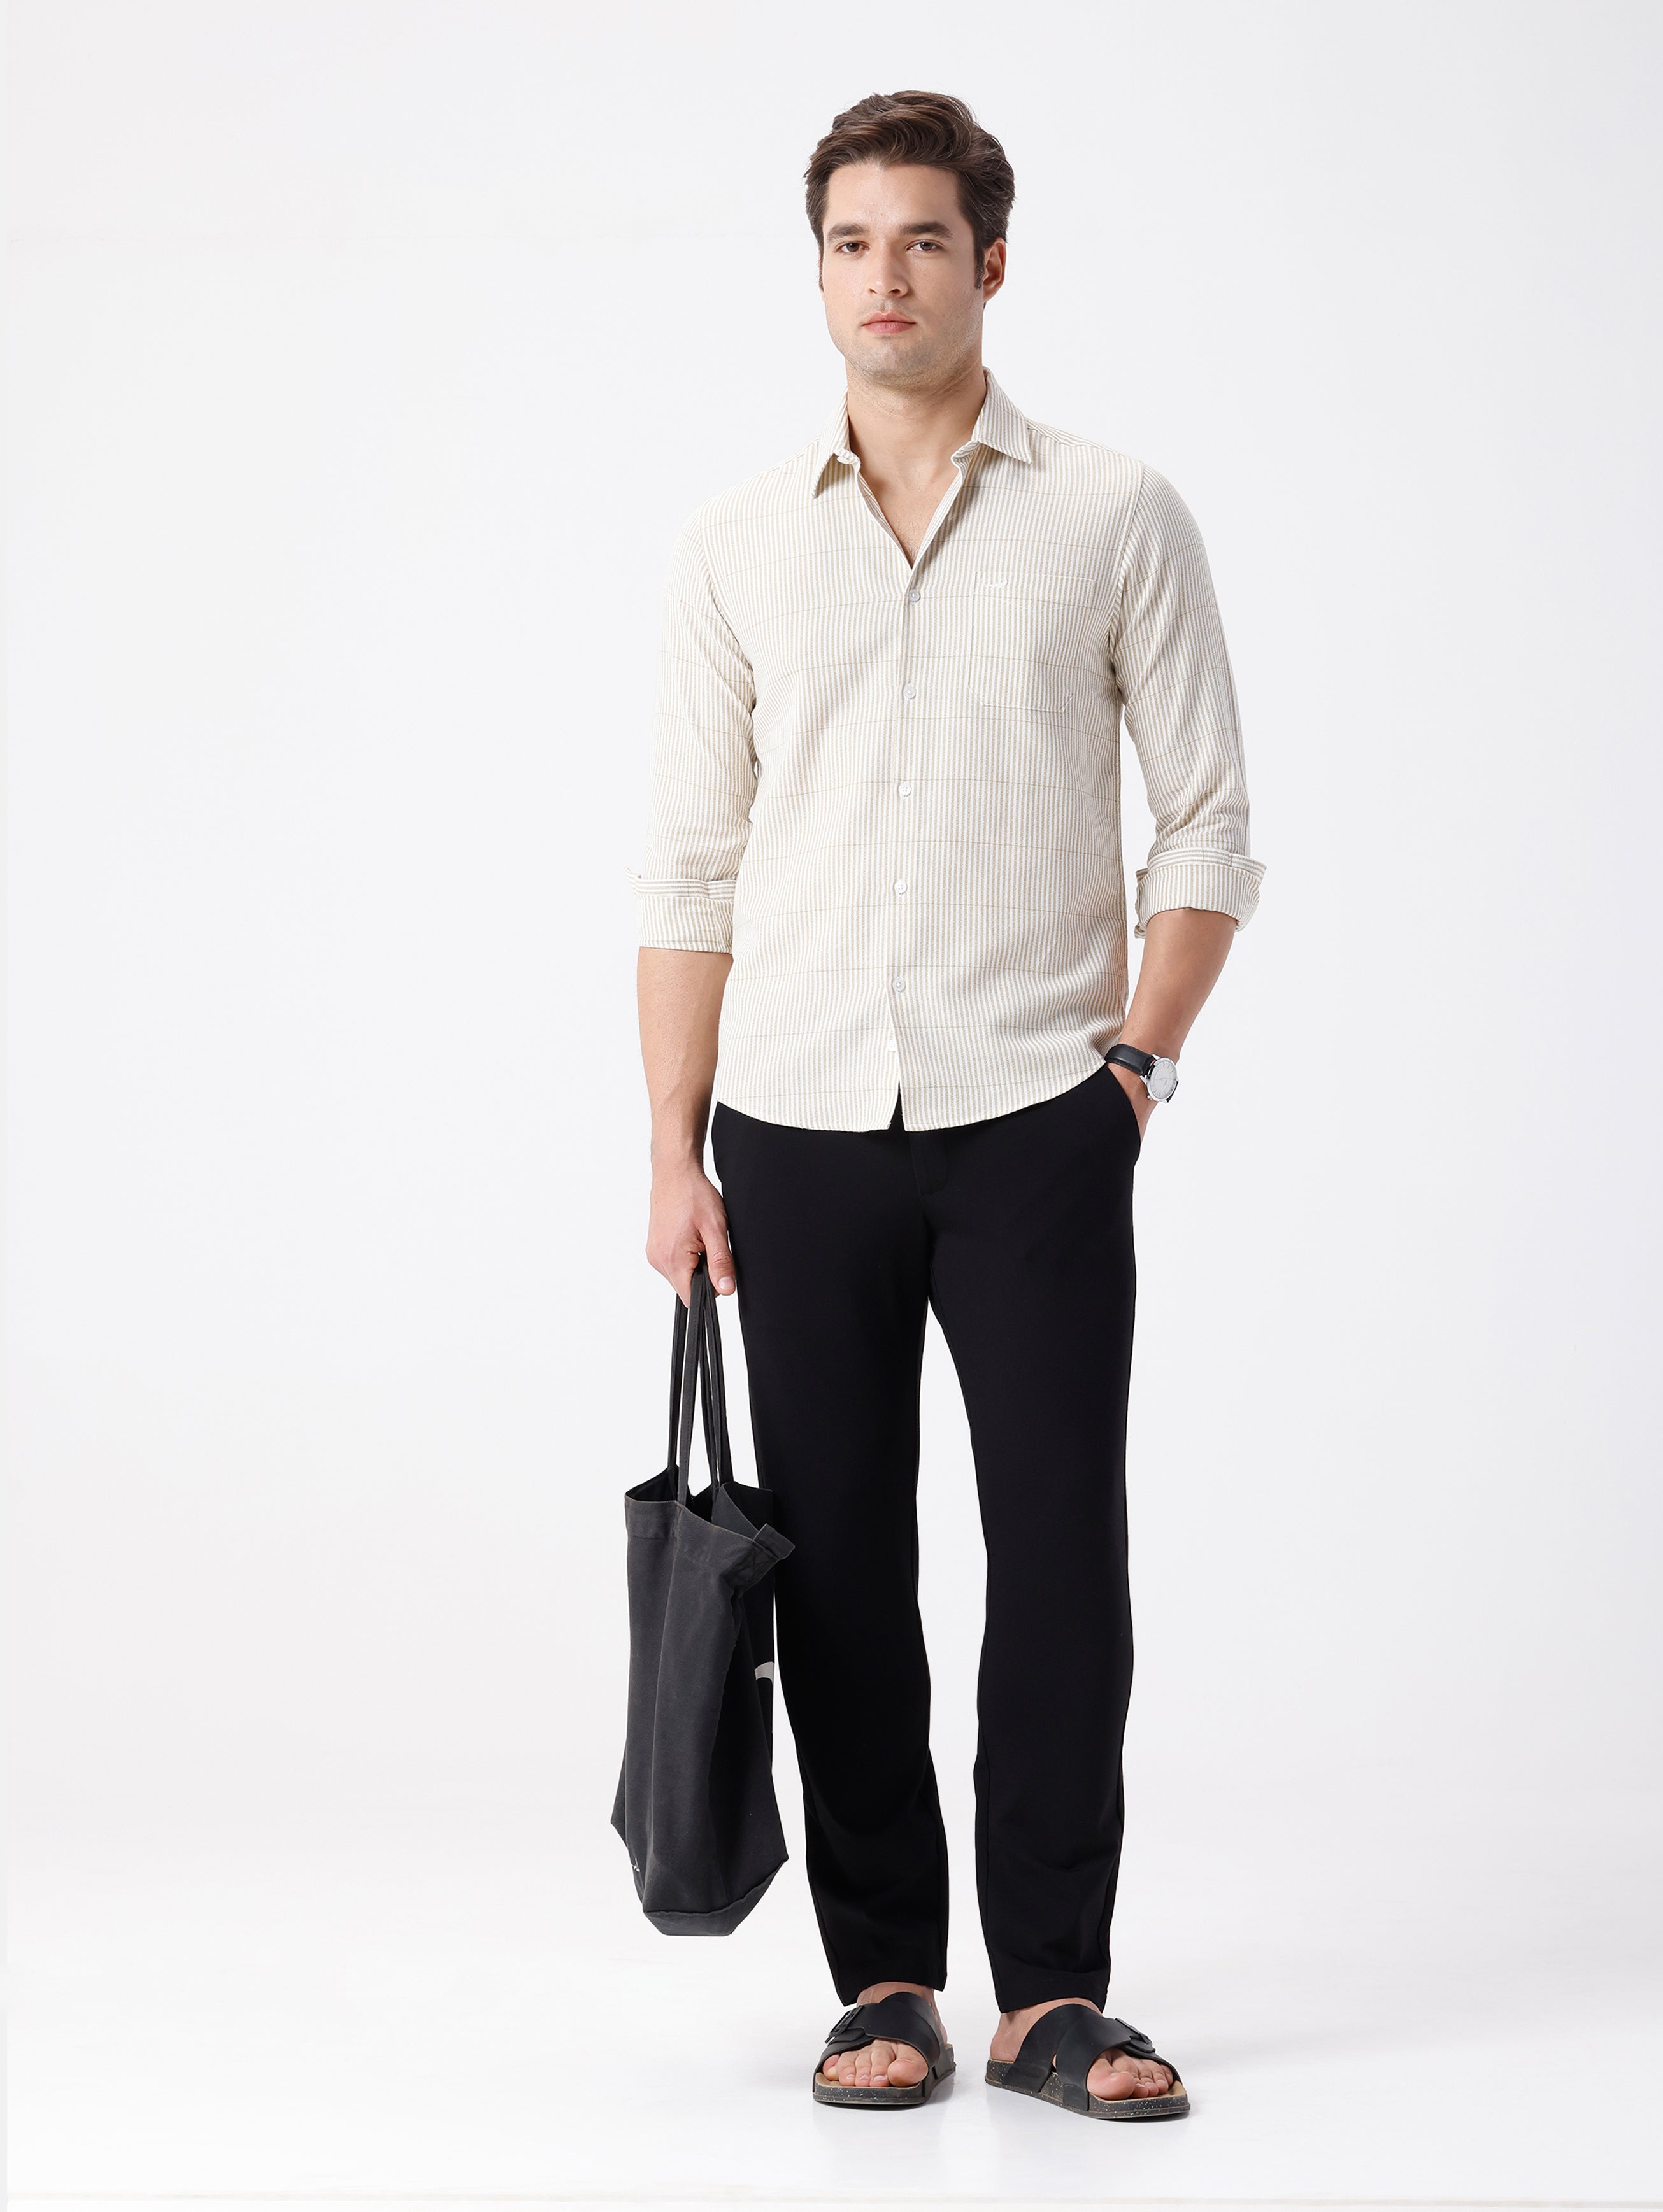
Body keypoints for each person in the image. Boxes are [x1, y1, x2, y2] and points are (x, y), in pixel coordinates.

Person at [632, 89, 1262, 2121]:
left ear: (992, 261)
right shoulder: (737, 546)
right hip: (796, 1128)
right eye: (851, 242)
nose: (884, 276)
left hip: (1036, 1116)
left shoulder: (1116, 512)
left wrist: (1135, 1066)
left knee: (1059, 1549)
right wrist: (673, 1149)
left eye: (922, 239)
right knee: (836, 1568)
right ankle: (885, 1976)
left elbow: (1209, 825)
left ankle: (1052, 1989)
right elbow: (689, 868)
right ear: (817, 271)